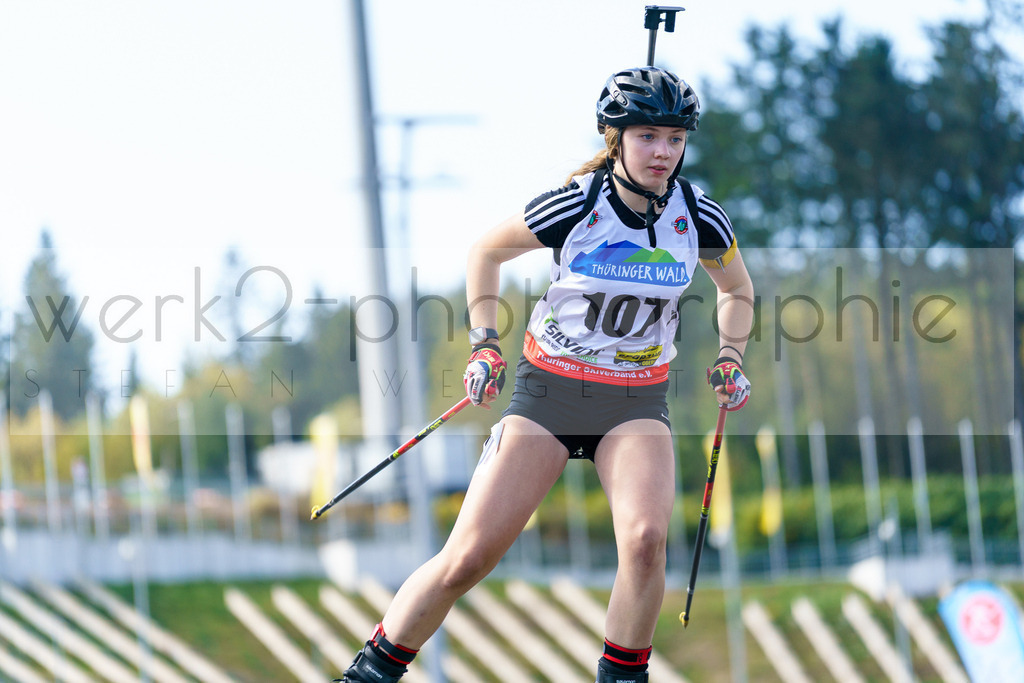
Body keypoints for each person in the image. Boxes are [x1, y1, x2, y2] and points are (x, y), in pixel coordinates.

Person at [336, 66, 754, 683]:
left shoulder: (699, 216)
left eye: (674, 137)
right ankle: (370, 673)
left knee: (644, 543)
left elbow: (737, 289)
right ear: (615, 138)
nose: (663, 151)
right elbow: (487, 252)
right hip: (549, 396)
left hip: (635, 401)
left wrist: (730, 356)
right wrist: (483, 344)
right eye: (646, 136)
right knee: (468, 559)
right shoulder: (581, 203)